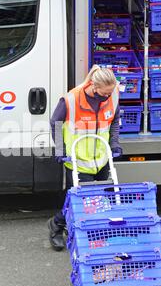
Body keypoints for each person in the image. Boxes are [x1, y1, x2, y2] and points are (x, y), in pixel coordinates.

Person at [48, 64, 122, 251]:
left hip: (102, 159)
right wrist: (59, 150)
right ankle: (57, 225)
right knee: (83, 200)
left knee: (99, 200)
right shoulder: (71, 99)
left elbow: (114, 121)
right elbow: (55, 123)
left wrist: (114, 144)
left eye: (110, 92)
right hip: (78, 160)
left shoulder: (112, 95)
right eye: (104, 93)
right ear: (93, 86)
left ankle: (91, 235)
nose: (108, 96)